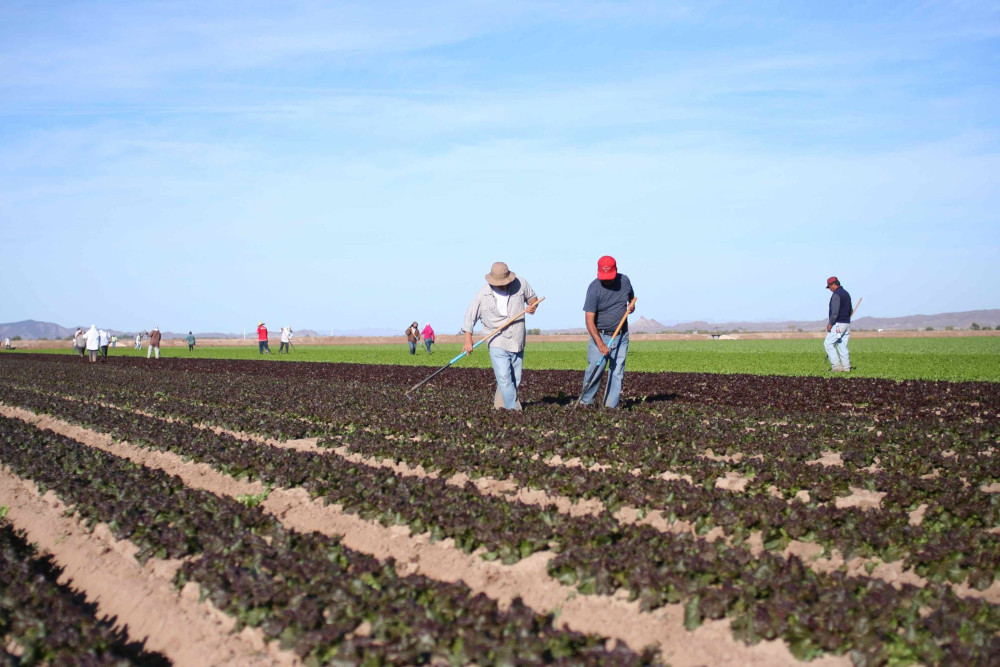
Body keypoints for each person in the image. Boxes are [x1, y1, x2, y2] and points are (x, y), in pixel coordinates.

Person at [462, 261, 539, 410]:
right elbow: (469, 317)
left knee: (514, 379)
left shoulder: (521, 284)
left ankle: (500, 407)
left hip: (517, 337)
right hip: (495, 338)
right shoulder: (483, 294)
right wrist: (468, 340)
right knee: (504, 377)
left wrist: (532, 307)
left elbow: (533, 300)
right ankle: (513, 411)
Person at [580, 256, 636, 408]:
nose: (607, 281)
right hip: (601, 334)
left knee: (617, 371)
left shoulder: (625, 281)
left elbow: (631, 299)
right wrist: (600, 343)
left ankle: (611, 406)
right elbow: (589, 320)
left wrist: (631, 306)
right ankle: (586, 402)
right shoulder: (594, 288)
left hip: (621, 335)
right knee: (595, 368)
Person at [825, 276, 852, 372]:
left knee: (828, 343)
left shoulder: (837, 294)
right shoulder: (846, 293)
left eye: (829, 287)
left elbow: (835, 312)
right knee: (842, 345)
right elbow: (850, 310)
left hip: (838, 324)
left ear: (834, 285)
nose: (830, 289)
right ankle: (846, 367)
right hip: (847, 324)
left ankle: (836, 366)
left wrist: (830, 323)